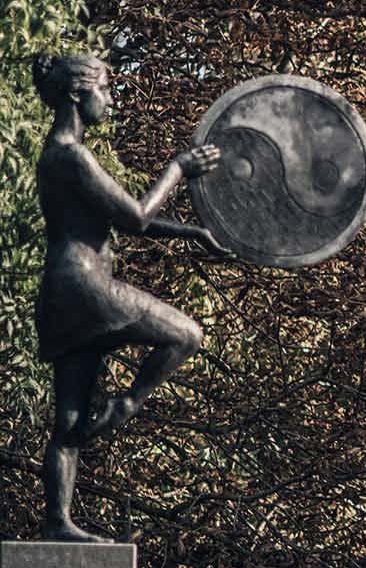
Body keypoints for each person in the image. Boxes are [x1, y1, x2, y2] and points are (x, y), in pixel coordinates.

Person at [31, 53, 227, 542]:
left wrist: (193, 234)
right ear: (79, 94)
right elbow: (136, 217)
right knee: (185, 334)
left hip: (61, 295)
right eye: (105, 88)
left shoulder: (57, 155)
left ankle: (58, 520)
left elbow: (117, 216)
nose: (111, 100)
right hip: (86, 289)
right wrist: (178, 169)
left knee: (70, 419)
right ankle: (127, 405)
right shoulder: (73, 155)